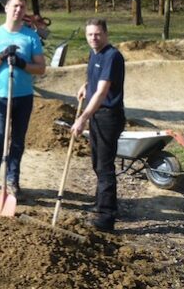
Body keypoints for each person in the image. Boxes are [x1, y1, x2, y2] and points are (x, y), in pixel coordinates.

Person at [0, 0, 46, 206]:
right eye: (15, 6)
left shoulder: (31, 37)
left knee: (17, 141)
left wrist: (22, 64)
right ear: (6, 8)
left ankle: (12, 181)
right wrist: (0, 57)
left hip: (24, 97)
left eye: (22, 7)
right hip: (0, 97)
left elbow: (41, 68)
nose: (18, 10)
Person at [70, 18, 125, 232]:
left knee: (104, 166)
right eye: (90, 34)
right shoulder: (95, 54)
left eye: (97, 34)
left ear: (106, 34)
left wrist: (82, 118)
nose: (93, 38)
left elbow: (103, 91)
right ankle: (101, 202)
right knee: (97, 163)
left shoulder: (112, 56)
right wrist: (86, 86)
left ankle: (106, 216)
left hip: (108, 116)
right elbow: (96, 81)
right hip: (97, 114)